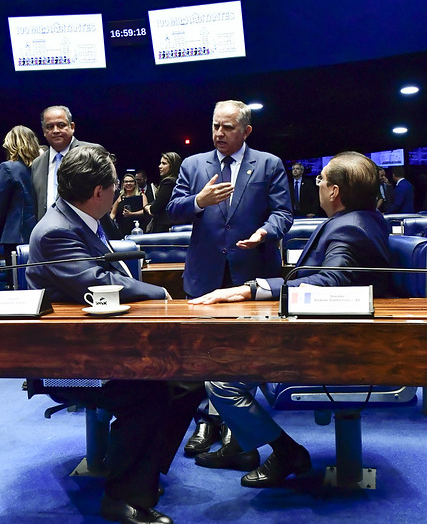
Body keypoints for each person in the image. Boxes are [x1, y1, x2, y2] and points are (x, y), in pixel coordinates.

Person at [26, 146, 204, 524]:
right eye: (113, 186)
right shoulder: (57, 230)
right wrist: (157, 292)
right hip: (67, 362)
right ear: (98, 192)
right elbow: (95, 283)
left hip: (100, 347)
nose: (118, 192)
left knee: (189, 380)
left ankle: (141, 471)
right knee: (150, 393)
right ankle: (122, 498)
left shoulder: (82, 219)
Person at [188, 151, 391, 487]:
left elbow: (333, 281)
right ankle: (240, 446)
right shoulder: (361, 219)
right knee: (231, 354)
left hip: (340, 345)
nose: (318, 183)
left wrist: (253, 289)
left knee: (222, 382)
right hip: (333, 331)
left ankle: (286, 452)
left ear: (335, 191)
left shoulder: (351, 228)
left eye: (322, 178)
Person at [167, 99, 293, 457]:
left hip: (251, 273)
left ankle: (233, 426)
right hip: (204, 273)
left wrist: (265, 233)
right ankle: (205, 421)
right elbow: (172, 211)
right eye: (215, 126)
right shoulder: (193, 165)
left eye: (228, 127)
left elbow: (283, 214)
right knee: (200, 353)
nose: (219, 133)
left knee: (243, 353)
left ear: (246, 131)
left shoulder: (268, 164)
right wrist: (199, 201)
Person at [31, 105, 104, 221]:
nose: (55, 130)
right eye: (50, 127)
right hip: (47, 228)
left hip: (85, 228)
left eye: (61, 125)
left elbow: (106, 193)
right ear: (44, 131)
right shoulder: (37, 164)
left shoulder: (92, 153)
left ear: (72, 127)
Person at [0, 126, 39, 286]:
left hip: (15, 235)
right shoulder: (40, 168)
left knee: (16, 284)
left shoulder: (8, 167)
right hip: (38, 232)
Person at [143, 152, 181, 232]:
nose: (160, 166)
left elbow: (155, 209)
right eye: (160, 163)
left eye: (164, 163)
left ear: (172, 166)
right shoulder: (179, 181)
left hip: (164, 227)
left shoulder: (168, 182)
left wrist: (147, 207)